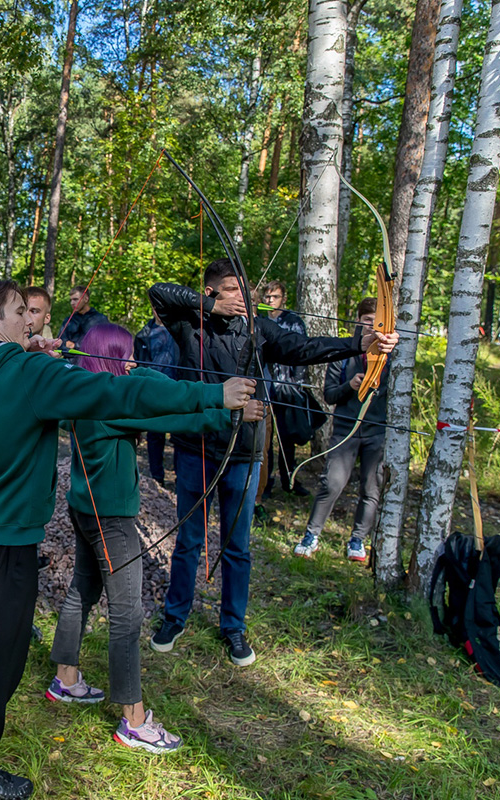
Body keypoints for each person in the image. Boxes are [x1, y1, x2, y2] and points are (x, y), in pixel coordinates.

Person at [0, 280, 254, 800]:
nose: (33, 320)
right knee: (2, 659)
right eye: (20, 313)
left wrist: (26, 349)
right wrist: (213, 394)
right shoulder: (30, 373)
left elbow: (20, 370)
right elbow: (121, 392)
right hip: (10, 540)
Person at [147, 260, 399, 667]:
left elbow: (304, 349)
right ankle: (175, 617)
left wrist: (361, 344)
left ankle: (233, 626)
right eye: (232, 289)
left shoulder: (259, 329)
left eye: (245, 289)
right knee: (189, 541)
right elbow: (159, 289)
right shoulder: (190, 325)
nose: (243, 298)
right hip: (196, 447)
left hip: (245, 452)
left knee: (237, 544)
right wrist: (210, 309)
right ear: (210, 293)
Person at [47, 322, 233, 754]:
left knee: (83, 589)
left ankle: (66, 678)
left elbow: (151, 389)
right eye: (126, 354)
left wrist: (136, 371)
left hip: (85, 508)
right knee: (128, 616)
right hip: (111, 516)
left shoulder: (85, 389)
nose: (134, 361)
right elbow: (166, 410)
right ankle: (133, 719)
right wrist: (225, 411)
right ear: (111, 357)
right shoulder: (113, 402)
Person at [294, 298, 390, 563]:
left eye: (376, 322)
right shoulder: (345, 352)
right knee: (332, 483)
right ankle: (311, 535)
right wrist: (351, 384)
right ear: (358, 321)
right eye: (366, 321)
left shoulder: (389, 356)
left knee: (372, 488)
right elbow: (330, 394)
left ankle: (358, 539)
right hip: (346, 430)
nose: (371, 327)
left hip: (377, 432)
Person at [259, 281, 311, 497]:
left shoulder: (293, 322)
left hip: (287, 388)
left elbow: (301, 353)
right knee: (266, 439)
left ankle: (289, 479)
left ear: (283, 299)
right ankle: (266, 481)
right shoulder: (260, 320)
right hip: (266, 388)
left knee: (286, 438)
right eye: (267, 297)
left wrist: (297, 383)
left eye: (275, 297)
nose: (270, 301)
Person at [132, 311, 179, 486]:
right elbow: (139, 362)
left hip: (177, 389)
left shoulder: (180, 331)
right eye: (155, 306)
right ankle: (157, 478)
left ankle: (179, 476)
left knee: (180, 434)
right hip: (154, 391)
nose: (159, 310)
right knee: (155, 435)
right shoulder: (144, 334)